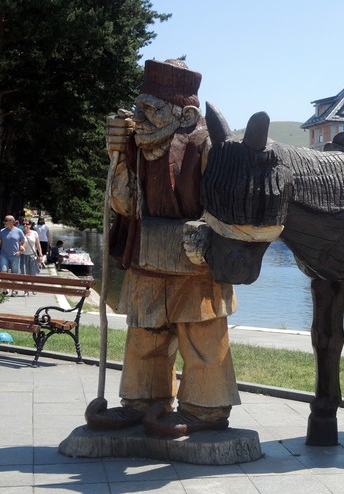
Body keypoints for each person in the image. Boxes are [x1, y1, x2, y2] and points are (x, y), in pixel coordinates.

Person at [85, 59, 239, 437]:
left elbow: (230, 203)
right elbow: (124, 205)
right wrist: (118, 157)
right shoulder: (139, 145)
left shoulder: (207, 145)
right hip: (148, 257)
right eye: (139, 107)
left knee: (202, 337)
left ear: (184, 113)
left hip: (195, 266)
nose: (138, 117)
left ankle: (206, 407)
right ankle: (143, 402)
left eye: (149, 109)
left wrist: (210, 230)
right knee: (144, 335)